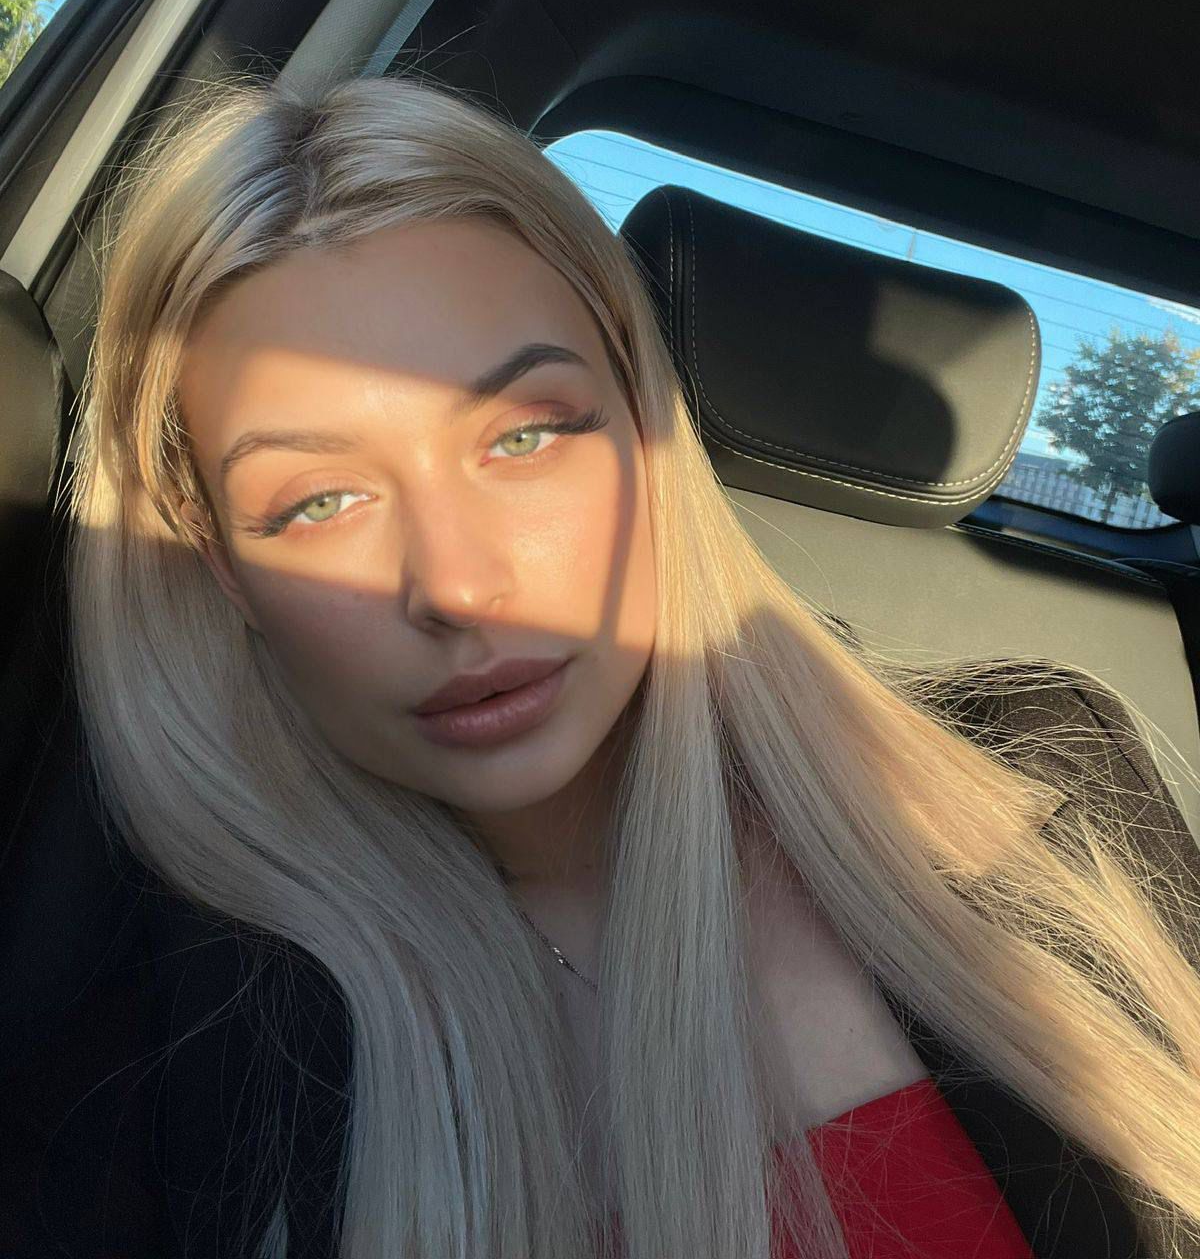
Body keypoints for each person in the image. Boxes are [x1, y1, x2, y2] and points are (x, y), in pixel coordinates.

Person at [68, 74, 1200, 1259]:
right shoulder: (201, 1029)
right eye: (318, 501)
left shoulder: (1041, 779)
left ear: (648, 421)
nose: (456, 586)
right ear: (218, 562)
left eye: (524, 435)